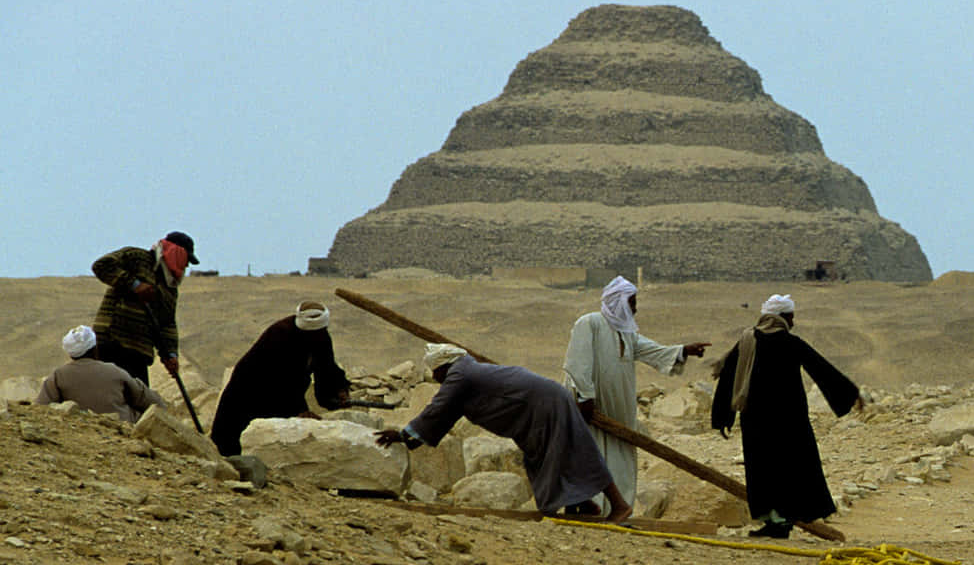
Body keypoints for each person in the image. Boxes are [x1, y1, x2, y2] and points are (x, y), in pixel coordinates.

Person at [377, 344, 633, 522]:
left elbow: (437, 408)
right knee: (544, 457)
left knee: (577, 451)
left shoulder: (460, 375)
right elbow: (445, 416)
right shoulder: (465, 374)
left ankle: (619, 505)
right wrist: (408, 437)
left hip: (545, 403)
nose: (435, 378)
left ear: (443, 367)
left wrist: (403, 434)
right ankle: (584, 504)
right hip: (539, 406)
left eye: (435, 373)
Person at [710, 294, 864, 538]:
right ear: (782, 317)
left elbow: (729, 379)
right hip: (789, 420)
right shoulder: (790, 343)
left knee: (763, 469)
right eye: (791, 317)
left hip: (756, 419)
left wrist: (722, 417)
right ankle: (780, 522)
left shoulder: (747, 341)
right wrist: (851, 393)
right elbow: (822, 369)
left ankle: (776, 521)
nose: (794, 322)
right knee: (790, 467)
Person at [562, 276, 709, 515]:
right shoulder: (589, 323)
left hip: (617, 413)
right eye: (631, 302)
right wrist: (585, 397)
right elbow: (577, 364)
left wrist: (683, 350)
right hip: (588, 410)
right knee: (586, 453)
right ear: (618, 302)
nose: (635, 308)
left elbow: (651, 350)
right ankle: (588, 506)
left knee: (619, 458)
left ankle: (613, 508)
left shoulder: (626, 333)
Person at [208, 302, 353, 455]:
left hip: (279, 397)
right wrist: (300, 410)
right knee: (229, 444)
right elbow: (281, 380)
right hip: (248, 391)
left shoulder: (321, 337)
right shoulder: (280, 334)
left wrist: (338, 391)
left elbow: (327, 368)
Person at [91, 231, 199, 386]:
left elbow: (167, 323)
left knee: (138, 400)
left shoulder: (170, 287)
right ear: (175, 252)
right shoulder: (136, 258)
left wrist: (170, 354)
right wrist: (135, 285)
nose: (187, 265)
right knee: (108, 395)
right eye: (186, 259)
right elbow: (102, 265)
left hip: (138, 350)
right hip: (111, 341)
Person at [36, 325, 168, 421]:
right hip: (123, 428)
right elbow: (147, 399)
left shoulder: (58, 376)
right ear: (95, 348)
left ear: (70, 354)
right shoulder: (114, 371)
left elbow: (41, 408)